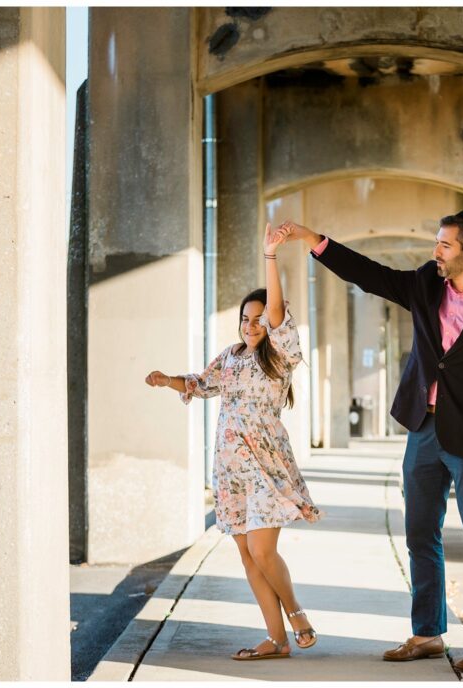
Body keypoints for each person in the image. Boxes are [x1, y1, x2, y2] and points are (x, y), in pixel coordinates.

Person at [278, 210, 463, 672]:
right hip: (423, 428)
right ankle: (427, 634)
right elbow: (372, 276)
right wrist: (312, 239)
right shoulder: (425, 283)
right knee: (420, 534)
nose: (434, 252)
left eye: (444, 245)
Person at [145, 223, 322, 661]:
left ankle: (297, 613)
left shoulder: (280, 357)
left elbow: (276, 314)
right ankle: (276, 640)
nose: (251, 325)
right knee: (248, 557)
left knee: (263, 550)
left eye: (259, 319)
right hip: (230, 470)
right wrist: (168, 380)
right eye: (246, 318)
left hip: (264, 465)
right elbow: (201, 384)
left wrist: (270, 258)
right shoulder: (229, 357)